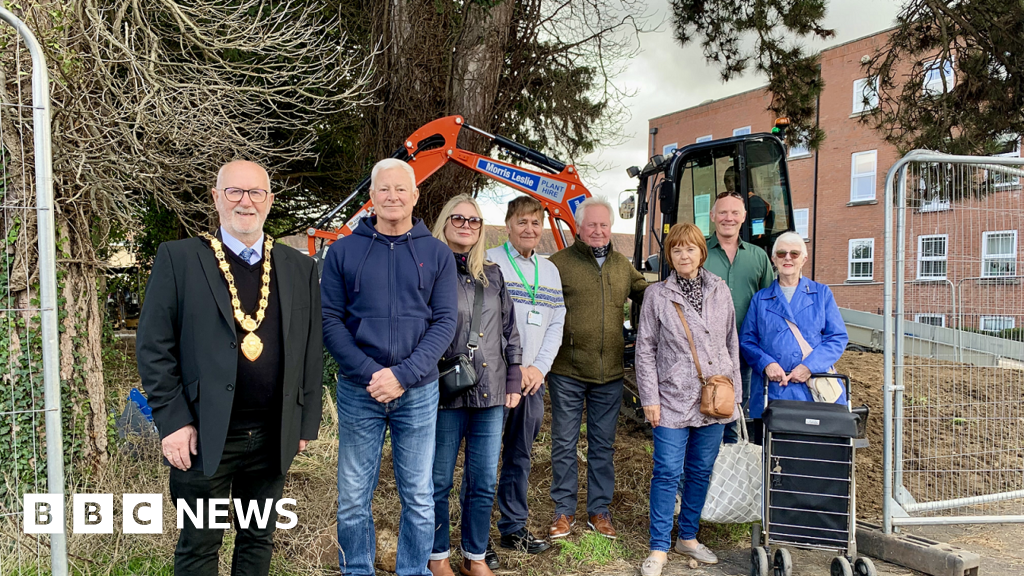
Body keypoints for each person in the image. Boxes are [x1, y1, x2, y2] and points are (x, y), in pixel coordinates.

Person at [136, 160, 323, 576]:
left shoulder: (298, 267)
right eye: (235, 192)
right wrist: (172, 422)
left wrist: (305, 423)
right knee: (201, 543)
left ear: (270, 201)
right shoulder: (179, 259)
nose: (246, 201)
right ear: (217, 198)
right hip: (204, 434)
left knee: (258, 539)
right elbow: (153, 348)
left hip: (273, 434)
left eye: (256, 192)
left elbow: (310, 349)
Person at [321, 158, 458, 576]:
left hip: (417, 392)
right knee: (353, 496)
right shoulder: (343, 251)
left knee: (418, 495)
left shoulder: (437, 253)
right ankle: (356, 570)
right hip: (358, 391)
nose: (393, 196)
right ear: (372, 197)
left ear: (415, 196)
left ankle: (413, 571)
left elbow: (445, 322)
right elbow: (330, 321)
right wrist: (370, 373)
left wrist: (403, 375)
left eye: (402, 189)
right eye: (385, 189)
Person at [635, 223, 742, 574]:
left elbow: (731, 343)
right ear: (669, 255)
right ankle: (659, 546)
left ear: (701, 252)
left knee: (700, 471)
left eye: (690, 248)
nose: (684, 255)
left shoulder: (719, 290)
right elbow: (645, 349)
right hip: (671, 398)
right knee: (666, 471)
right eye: (677, 249)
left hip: (715, 397)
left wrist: (735, 394)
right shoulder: (658, 296)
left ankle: (689, 537)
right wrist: (649, 397)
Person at [428, 195, 523, 576]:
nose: (466, 225)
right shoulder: (429, 270)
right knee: (438, 480)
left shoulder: (494, 274)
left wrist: (514, 377)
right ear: (445, 222)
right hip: (445, 391)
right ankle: (436, 557)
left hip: (491, 390)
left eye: (474, 220)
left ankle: (474, 556)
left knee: (483, 480)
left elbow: (508, 331)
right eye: (458, 218)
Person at [547, 196, 648, 540]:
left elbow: (646, 294)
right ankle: (563, 512)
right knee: (563, 442)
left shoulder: (622, 265)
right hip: (567, 372)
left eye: (604, 225)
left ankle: (599, 511)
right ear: (578, 227)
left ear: (611, 228)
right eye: (591, 224)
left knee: (602, 445)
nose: (598, 230)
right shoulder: (558, 264)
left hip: (610, 375)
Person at [485, 196, 563, 561]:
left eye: (536, 223)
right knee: (483, 459)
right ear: (508, 224)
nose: (529, 229)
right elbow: (485, 323)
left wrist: (538, 368)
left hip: (532, 380)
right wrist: (513, 368)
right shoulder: (489, 261)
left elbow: (556, 323)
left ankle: (513, 528)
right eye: (522, 222)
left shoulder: (548, 270)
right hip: (494, 380)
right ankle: (477, 534)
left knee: (520, 456)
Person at [740, 231, 849, 439]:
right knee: (772, 459)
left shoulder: (822, 294)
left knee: (811, 456)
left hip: (811, 391)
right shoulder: (760, 299)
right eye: (781, 253)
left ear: (804, 259)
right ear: (773, 259)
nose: (787, 258)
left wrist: (809, 367)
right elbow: (747, 340)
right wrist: (766, 363)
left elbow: (836, 338)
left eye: (794, 253)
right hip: (771, 392)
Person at [704, 190, 775, 443]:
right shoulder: (698, 253)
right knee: (705, 412)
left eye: (735, 212)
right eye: (722, 212)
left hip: (744, 351)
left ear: (744, 216)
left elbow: (770, 305)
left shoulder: (758, 257)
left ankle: (728, 466)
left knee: (734, 411)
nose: (728, 218)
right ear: (713, 216)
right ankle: (704, 469)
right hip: (705, 351)